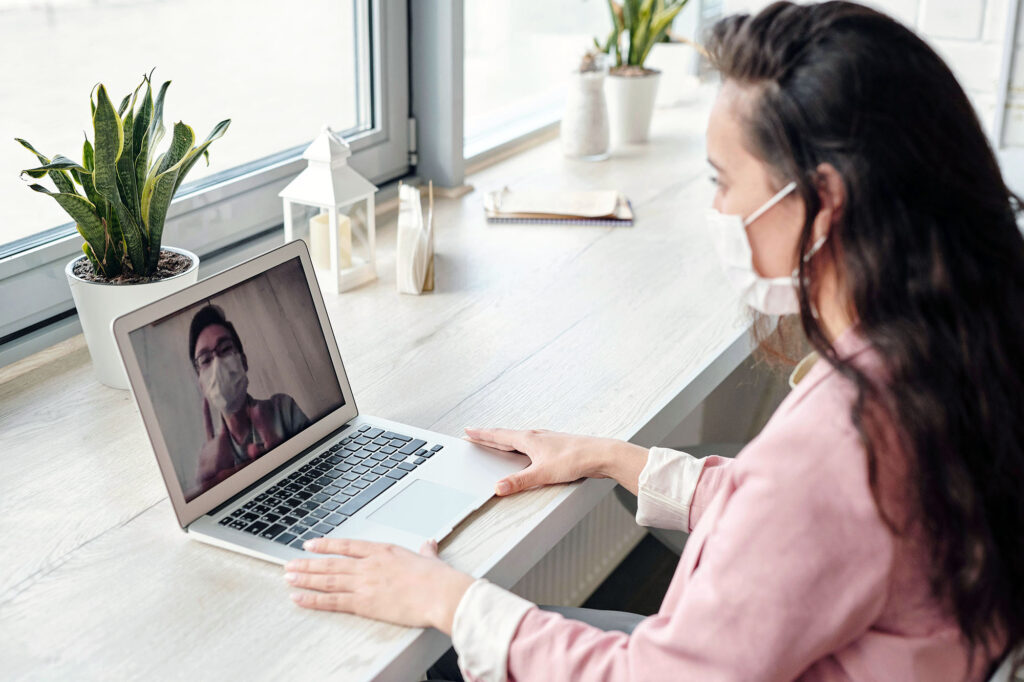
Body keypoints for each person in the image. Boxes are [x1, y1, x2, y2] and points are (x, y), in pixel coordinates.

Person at [279, 2, 1024, 680]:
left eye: (723, 181)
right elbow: (804, 529)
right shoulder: (951, 349)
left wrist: (450, 600)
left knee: (438, 663)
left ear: (822, 203)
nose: (718, 209)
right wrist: (616, 459)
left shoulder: (845, 438)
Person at [189, 305, 310, 491]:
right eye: (205, 360)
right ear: (201, 384)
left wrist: (283, 457)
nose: (218, 364)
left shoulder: (284, 409)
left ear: (243, 361)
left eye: (225, 349)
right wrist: (209, 487)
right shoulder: (208, 459)